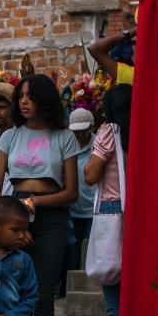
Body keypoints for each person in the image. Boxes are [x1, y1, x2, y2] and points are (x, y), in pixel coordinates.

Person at [0, 75, 82, 316]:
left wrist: (33, 207)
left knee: (43, 301)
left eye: (31, 96)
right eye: (21, 97)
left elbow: (71, 192)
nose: (24, 102)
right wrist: (15, 223)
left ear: (45, 99)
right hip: (15, 221)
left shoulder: (64, 138)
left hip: (51, 222)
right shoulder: (10, 137)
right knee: (19, 301)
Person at [85, 84, 131, 316]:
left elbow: (91, 175)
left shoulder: (108, 132)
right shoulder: (146, 130)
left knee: (114, 301)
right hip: (140, 214)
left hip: (111, 210)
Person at [67, 109, 98, 274]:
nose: (78, 134)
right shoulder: (67, 145)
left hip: (92, 210)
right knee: (73, 249)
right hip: (72, 210)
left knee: (89, 249)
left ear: (91, 127)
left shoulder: (98, 146)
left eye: (82, 130)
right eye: (75, 131)